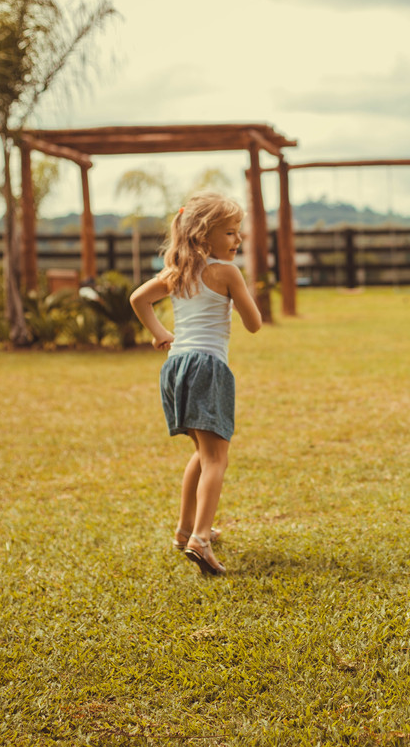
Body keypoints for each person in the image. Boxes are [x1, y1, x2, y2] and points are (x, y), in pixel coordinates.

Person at [130, 191, 263, 576]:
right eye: (231, 233)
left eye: (238, 233)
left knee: (201, 454)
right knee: (217, 458)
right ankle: (200, 539)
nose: (237, 241)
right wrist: (237, 297)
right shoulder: (227, 272)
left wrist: (159, 334)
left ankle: (185, 528)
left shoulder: (178, 272)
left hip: (176, 369)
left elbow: (139, 298)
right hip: (207, 368)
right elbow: (254, 324)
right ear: (205, 234)